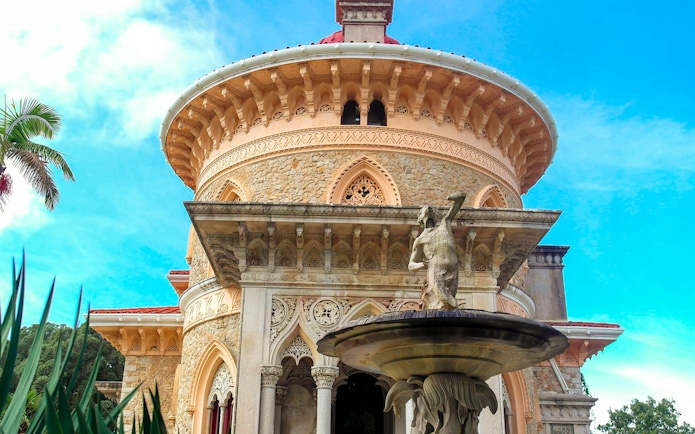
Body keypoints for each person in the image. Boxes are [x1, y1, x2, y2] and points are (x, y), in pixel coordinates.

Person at [408, 192, 466, 310]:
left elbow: (460, 200)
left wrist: (455, 198)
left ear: (436, 216)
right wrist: (422, 264)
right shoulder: (420, 240)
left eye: (432, 210)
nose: (428, 210)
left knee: (450, 302)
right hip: (436, 270)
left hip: (453, 268)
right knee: (445, 302)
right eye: (424, 211)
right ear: (420, 219)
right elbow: (411, 265)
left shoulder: (445, 224)